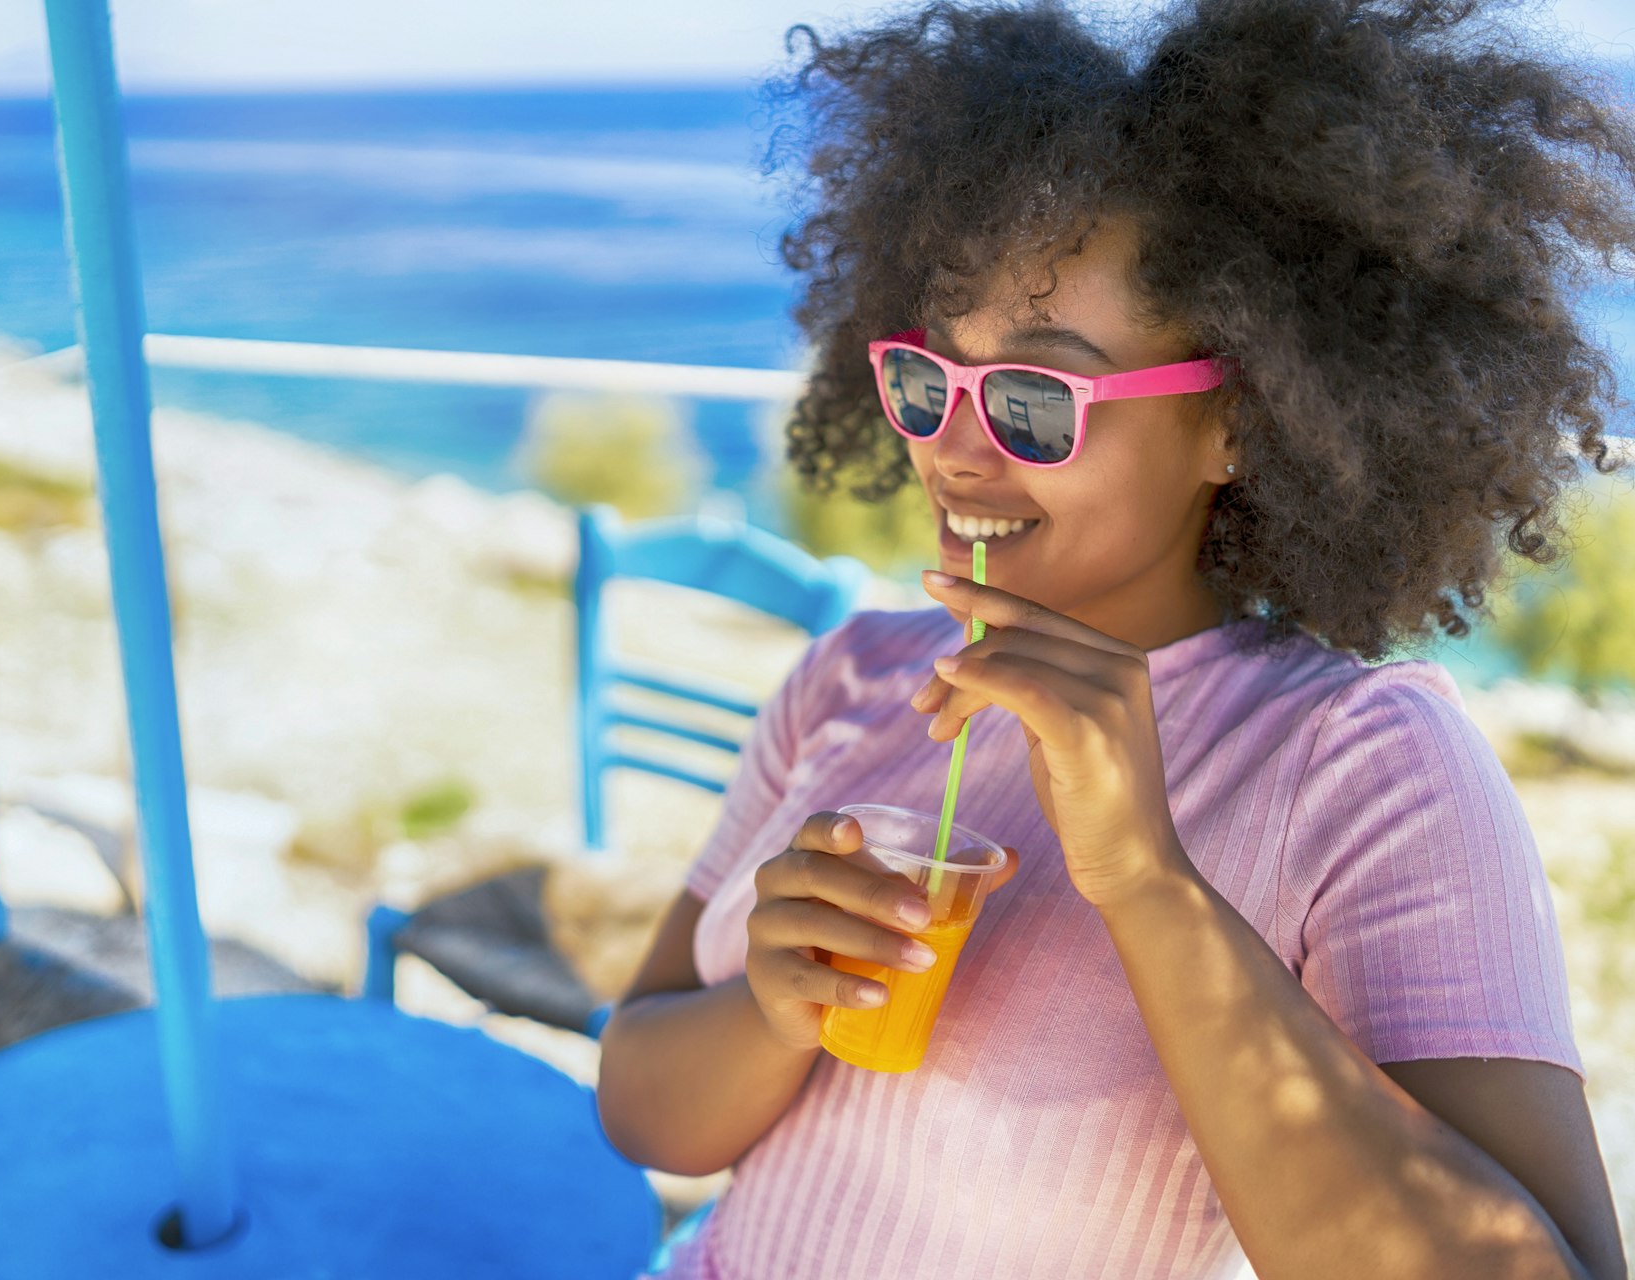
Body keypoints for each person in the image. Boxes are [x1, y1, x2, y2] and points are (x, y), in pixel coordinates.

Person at [593, 1, 1635, 1277]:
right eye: (931, 377)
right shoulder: (852, 675)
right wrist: (771, 1006)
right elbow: (642, 1111)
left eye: (1036, 397)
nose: (953, 447)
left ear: (1242, 421)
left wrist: (1148, 879)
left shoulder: (1360, 766)